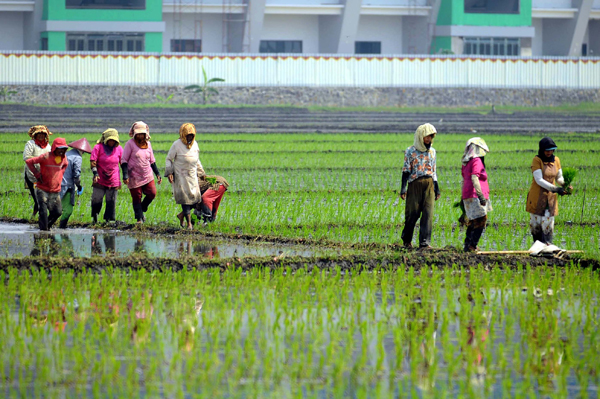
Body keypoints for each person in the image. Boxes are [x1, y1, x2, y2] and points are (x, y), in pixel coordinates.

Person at [400, 123, 441, 249]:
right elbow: (406, 170)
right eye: (427, 137)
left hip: (429, 184)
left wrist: (437, 188)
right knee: (413, 213)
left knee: (428, 213)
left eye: (431, 137)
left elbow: (433, 171)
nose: (429, 139)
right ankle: (406, 240)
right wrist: (403, 188)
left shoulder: (432, 152)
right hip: (414, 184)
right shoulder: (410, 151)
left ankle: (424, 243)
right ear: (420, 136)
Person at [526, 137, 569, 245]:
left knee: (549, 222)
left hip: (550, 198)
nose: (549, 152)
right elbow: (539, 179)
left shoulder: (556, 160)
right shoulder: (537, 160)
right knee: (536, 223)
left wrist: (565, 184)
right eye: (547, 150)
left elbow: (559, 177)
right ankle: (537, 245)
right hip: (537, 196)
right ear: (542, 150)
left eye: (551, 150)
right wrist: (555, 189)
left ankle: (548, 245)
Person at [165, 123, 204, 230]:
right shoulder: (176, 145)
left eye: (192, 136)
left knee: (196, 199)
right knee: (185, 200)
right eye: (188, 136)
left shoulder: (195, 145)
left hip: (192, 176)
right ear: (183, 135)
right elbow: (169, 159)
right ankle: (189, 224)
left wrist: (202, 173)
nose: (190, 138)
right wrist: (169, 172)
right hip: (181, 176)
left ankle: (181, 215)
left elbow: (197, 161)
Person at [121, 121, 162, 223]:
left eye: (142, 133)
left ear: (145, 134)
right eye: (138, 133)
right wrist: (125, 175)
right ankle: (139, 218)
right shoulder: (130, 144)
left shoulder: (148, 144)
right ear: (134, 134)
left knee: (152, 193)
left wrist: (157, 174)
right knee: (136, 197)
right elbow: (124, 160)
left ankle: (143, 208)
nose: (140, 136)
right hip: (134, 176)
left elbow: (152, 160)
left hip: (147, 175)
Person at [25, 137, 69, 231]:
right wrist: (37, 174)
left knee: (57, 212)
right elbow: (29, 162)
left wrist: (60, 174)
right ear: (54, 148)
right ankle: (44, 231)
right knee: (43, 212)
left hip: (55, 190)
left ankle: (45, 227)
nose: (61, 151)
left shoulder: (63, 158)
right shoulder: (46, 156)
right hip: (42, 189)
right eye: (59, 148)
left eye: (63, 149)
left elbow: (65, 165)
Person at [461, 138, 492, 252]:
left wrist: (462, 197)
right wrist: (481, 196)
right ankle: (472, 245)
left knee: (473, 220)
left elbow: (464, 180)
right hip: (475, 194)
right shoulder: (476, 161)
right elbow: (475, 178)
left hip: (467, 194)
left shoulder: (466, 162)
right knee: (481, 219)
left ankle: (468, 244)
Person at [90, 129, 124, 224]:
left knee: (111, 201)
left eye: (114, 141)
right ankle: (95, 218)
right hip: (100, 178)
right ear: (105, 140)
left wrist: (126, 175)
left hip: (113, 179)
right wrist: (95, 174)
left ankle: (108, 221)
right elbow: (93, 162)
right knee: (97, 200)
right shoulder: (98, 147)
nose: (112, 142)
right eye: (110, 140)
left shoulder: (119, 149)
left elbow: (123, 163)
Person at [59, 138, 92, 228]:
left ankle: (52, 227)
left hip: (58, 183)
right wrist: (79, 186)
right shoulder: (77, 157)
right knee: (68, 210)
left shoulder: (67, 154)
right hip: (67, 185)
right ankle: (61, 228)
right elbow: (76, 174)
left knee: (57, 207)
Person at [22, 125, 52, 218]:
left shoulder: (48, 146)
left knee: (43, 198)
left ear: (46, 135)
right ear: (35, 135)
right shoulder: (30, 144)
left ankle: (35, 217)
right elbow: (26, 157)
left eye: (43, 134)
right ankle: (38, 218)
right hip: (32, 174)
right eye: (38, 134)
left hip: (44, 176)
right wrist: (39, 160)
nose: (41, 136)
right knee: (38, 199)